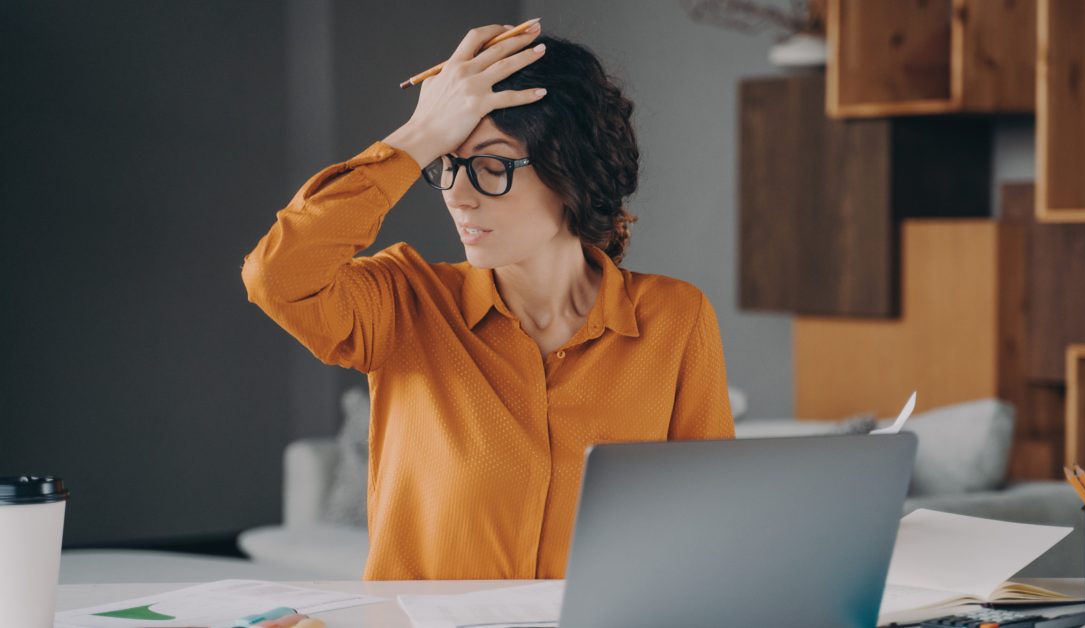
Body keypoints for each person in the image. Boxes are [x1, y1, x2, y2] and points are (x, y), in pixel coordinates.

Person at [241, 22, 734, 580]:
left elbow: (707, 524)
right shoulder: (404, 304)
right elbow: (277, 276)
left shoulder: (675, 318)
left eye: (492, 166)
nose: (458, 194)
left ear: (571, 170)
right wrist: (420, 134)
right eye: (446, 163)